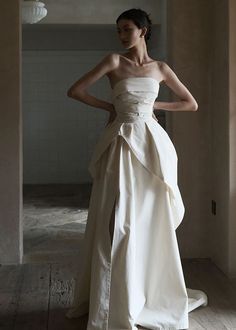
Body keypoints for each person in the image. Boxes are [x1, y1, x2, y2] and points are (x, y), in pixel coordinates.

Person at [65, 8, 208, 330]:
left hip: (153, 143)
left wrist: (155, 105)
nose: (121, 35)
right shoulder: (114, 61)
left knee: (148, 215)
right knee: (120, 217)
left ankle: (146, 291)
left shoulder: (161, 68)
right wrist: (112, 107)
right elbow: (75, 91)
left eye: (127, 29)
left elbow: (190, 103)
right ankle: (114, 297)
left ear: (143, 30)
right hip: (122, 140)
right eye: (118, 30)